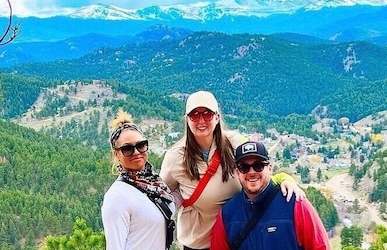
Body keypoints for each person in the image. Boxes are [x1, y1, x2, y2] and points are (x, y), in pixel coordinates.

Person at [160, 90, 305, 250]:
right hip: (200, 243)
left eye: (207, 114)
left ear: (217, 117)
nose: (201, 120)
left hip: (239, 238)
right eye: (195, 115)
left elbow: (260, 167)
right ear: (187, 120)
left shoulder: (234, 143)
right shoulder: (175, 157)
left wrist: (285, 179)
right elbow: (162, 196)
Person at [211, 140, 331, 250]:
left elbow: (320, 246)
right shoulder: (228, 214)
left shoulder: (294, 203)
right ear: (237, 172)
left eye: (258, 165)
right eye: (244, 167)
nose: (252, 172)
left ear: (270, 168)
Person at [101, 109, 175, 250]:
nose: (136, 152)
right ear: (116, 154)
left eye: (141, 145)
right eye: (127, 149)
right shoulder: (117, 196)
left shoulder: (155, 185)